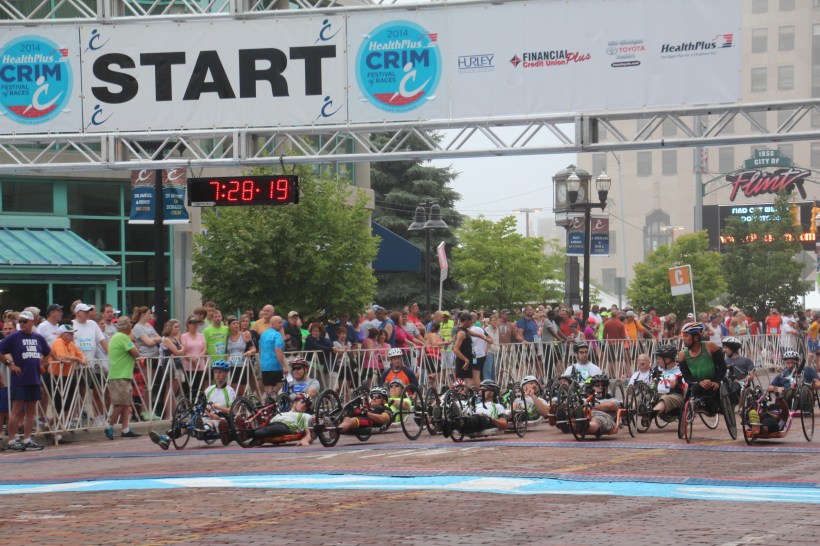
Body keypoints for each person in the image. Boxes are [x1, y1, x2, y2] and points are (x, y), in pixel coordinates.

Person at [150, 360, 236, 449]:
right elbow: (203, 406)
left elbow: (231, 410)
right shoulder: (209, 390)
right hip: (207, 416)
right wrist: (209, 413)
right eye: (215, 372)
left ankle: (202, 429)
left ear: (226, 373)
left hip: (221, 419)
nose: (217, 375)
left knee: (211, 422)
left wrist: (216, 407)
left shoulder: (230, 391)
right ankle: (166, 438)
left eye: (220, 372)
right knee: (187, 425)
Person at [1, 310, 51, 451]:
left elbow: (47, 352)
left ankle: (27, 439)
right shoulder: (14, 337)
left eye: (25, 321)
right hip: (19, 379)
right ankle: (12, 440)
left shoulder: (38, 337)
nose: (22, 324)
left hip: (34, 378)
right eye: (20, 321)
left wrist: (43, 363)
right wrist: (9, 364)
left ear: (32, 322)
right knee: (16, 410)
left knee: (31, 410)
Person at [678, 322, 726, 415]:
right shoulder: (682, 354)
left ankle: (714, 407)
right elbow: (687, 376)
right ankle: (699, 406)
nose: (684, 339)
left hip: (713, 380)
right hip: (697, 382)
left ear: (696, 338)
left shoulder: (710, 346)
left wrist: (716, 381)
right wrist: (699, 382)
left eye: (686, 336)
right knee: (695, 389)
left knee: (711, 390)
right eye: (683, 336)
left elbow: (722, 366)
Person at [105, 317, 141, 440]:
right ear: (127, 326)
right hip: (120, 375)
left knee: (125, 403)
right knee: (120, 403)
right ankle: (110, 426)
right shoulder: (123, 337)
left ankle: (125, 429)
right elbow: (136, 353)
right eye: (131, 324)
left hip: (121, 374)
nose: (132, 326)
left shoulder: (116, 337)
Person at [48, 324, 87, 426]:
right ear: (63, 334)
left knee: (68, 403)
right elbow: (62, 357)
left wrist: (82, 359)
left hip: (68, 375)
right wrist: (77, 359)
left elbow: (81, 354)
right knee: (60, 404)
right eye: (70, 333)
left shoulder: (71, 344)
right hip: (56, 377)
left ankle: (52, 425)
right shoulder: (58, 342)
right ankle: (57, 427)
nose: (72, 335)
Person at [241, 393, 314, 447]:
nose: (304, 405)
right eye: (302, 402)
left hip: (285, 426)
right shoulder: (283, 412)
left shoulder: (305, 415)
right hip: (272, 424)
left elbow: (309, 430)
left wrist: (306, 439)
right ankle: (240, 432)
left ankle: (245, 433)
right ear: (294, 402)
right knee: (263, 427)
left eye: (307, 405)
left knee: (265, 430)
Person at [442, 379, 508, 438]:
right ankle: (449, 423)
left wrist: (493, 419)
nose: (479, 392)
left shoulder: (498, 406)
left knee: (477, 418)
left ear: (492, 393)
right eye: (480, 390)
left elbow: (504, 424)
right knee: (464, 413)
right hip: (470, 419)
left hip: (485, 421)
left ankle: (459, 422)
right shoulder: (476, 403)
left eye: (483, 390)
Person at [652, 343, 685, 420]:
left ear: (667, 359)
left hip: (672, 397)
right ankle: (627, 412)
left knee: (665, 398)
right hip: (655, 395)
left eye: (660, 359)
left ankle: (651, 415)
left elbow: (685, 390)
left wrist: (677, 386)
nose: (658, 361)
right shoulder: (656, 370)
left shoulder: (681, 370)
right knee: (641, 397)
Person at [582, 374, 621, 439]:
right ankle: (568, 425)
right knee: (576, 417)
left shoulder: (612, 400)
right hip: (585, 416)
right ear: (592, 387)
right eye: (597, 385)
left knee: (596, 420)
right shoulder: (585, 399)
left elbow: (610, 406)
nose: (600, 387)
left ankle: (585, 426)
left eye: (603, 385)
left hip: (603, 417)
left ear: (607, 388)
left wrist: (590, 405)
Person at [259, 315, 287, 395]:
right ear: (272, 324)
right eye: (279, 322)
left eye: (282, 322)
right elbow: (278, 350)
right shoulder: (277, 335)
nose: (281, 324)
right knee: (279, 384)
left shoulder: (263, 334)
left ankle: (269, 402)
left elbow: (260, 350)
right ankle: (273, 400)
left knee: (268, 386)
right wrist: (284, 366)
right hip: (275, 365)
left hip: (264, 365)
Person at [452, 312, 475, 386]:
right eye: (470, 321)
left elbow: (478, 334)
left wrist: (485, 338)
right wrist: (466, 360)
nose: (471, 323)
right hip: (463, 359)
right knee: (462, 382)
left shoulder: (466, 330)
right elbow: (455, 349)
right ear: (466, 321)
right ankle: (456, 394)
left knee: (465, 381)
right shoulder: (461, 332)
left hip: (468, 357)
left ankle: (464, 394)